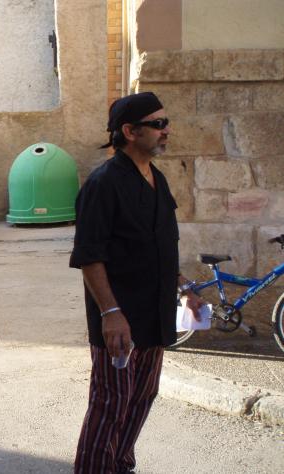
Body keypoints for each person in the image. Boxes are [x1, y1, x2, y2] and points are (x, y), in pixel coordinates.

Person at [69, 92, 202, 474]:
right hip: (120, 319)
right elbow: (89, 256)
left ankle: (119, 463)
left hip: (153, 315)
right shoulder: (103, 184)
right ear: (130, 131)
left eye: (166, 122)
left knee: (142, 396)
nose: (166, 130)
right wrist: (110, 313)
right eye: (158, 124)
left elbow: (159, 243)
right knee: (111, 402)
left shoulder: (157, 178)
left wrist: (183, 288)